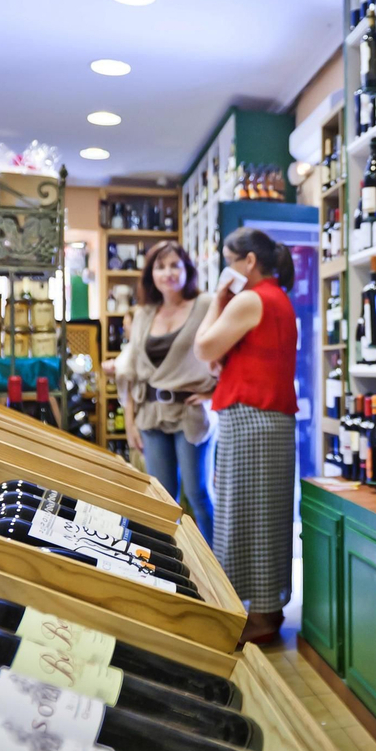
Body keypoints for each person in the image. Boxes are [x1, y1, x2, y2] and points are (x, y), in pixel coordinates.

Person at [194, 226, 300, 645]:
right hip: (270, 421)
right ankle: (265, 608)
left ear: (248, 262)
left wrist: (219, 299)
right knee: (265, 518)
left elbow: (203, 348)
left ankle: (256, 614)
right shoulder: (278, 300)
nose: (226, 269)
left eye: (228, 260)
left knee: (244, 517)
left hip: (252, 421)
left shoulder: (251, 300)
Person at [117, 241, 218, 540]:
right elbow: (133, 369)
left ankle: (217, 572)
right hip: (150, 414)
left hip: (191, 413)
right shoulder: (144, 314)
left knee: (198, 494)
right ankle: (169, 570)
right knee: (162, 498)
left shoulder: (206, 305)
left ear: (187, 268)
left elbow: (230, 351)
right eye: (160, 267)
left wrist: (216, 393)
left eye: (175, 265)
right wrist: (130, 422)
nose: (168, 273)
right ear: (151, 274)